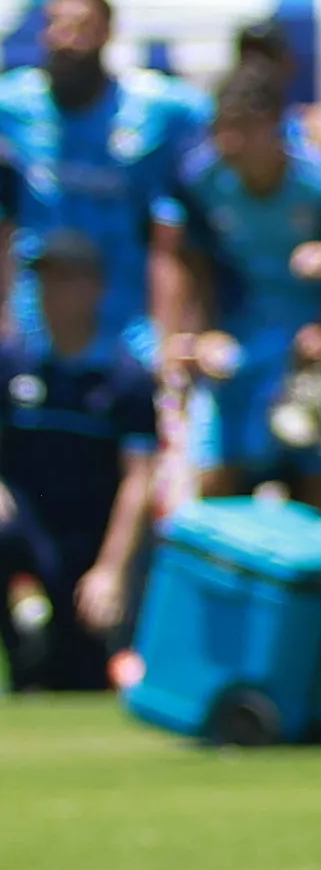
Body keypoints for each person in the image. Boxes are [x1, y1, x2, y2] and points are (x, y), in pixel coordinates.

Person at [156, 22, 321, 507]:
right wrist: (200, 332)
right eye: (220, 128)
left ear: (273, 124)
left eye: (241, 129)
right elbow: (194, 260)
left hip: (311, 353)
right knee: (215, 487)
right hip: (240, 348)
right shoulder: (202, 179)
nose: (228, 142)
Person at [0, 230, 162, 689]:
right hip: (27, 534)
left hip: (91, 542)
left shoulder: (124, 378)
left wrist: (111, 571)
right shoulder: (13, 364)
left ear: (96, 288)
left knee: (79, 673)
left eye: (66, 280)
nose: (52, 294)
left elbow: (138, 479)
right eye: (46, 281)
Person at [1, 0, 198, 353]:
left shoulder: (153, 106)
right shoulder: (15, 102)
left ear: (107, 34)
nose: (68, 39)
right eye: (57, 25)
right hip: (38, 315)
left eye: (82, 26)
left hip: (124, 317)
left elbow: (233, 120)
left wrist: (304, 123)